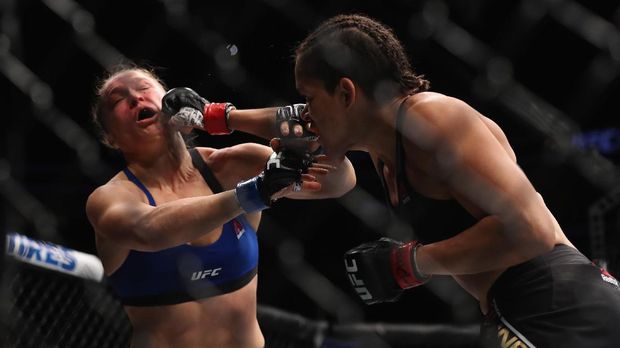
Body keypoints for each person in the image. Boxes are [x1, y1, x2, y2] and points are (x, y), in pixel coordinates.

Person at [293, 14, 620, 347]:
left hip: (558, 303)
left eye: (309, 99)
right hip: (518, 310)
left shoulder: (430, 118)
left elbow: (528, 229)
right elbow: (289, 128)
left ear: (347, 93)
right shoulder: (385, 151)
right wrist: (236, 120)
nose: (305, 114)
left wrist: (411, 263)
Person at [85, 66, 356, 348]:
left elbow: (339, 181)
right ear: (110, 137)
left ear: (168, 98)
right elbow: (148, 230)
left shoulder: (231, 167)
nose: (134, 99)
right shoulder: (110, 198)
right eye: (118, 100)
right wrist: (254, 193)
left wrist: (222, 117)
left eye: (143, 88)